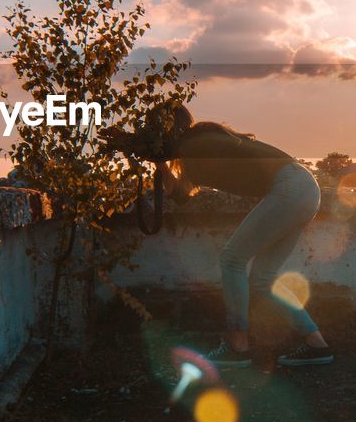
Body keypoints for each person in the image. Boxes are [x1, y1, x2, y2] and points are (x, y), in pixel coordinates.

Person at [112, 103, 332, 369]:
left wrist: (134, 143)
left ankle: (238, 344)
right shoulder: (196, 152)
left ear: (170, 129)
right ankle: (316, 343)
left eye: (156, 131)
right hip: (304, 189)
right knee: (263, 279)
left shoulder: (199, 141)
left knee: (232, 259)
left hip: (291, 187)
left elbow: (167, 150)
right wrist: (157, 162)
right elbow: (179, 195)